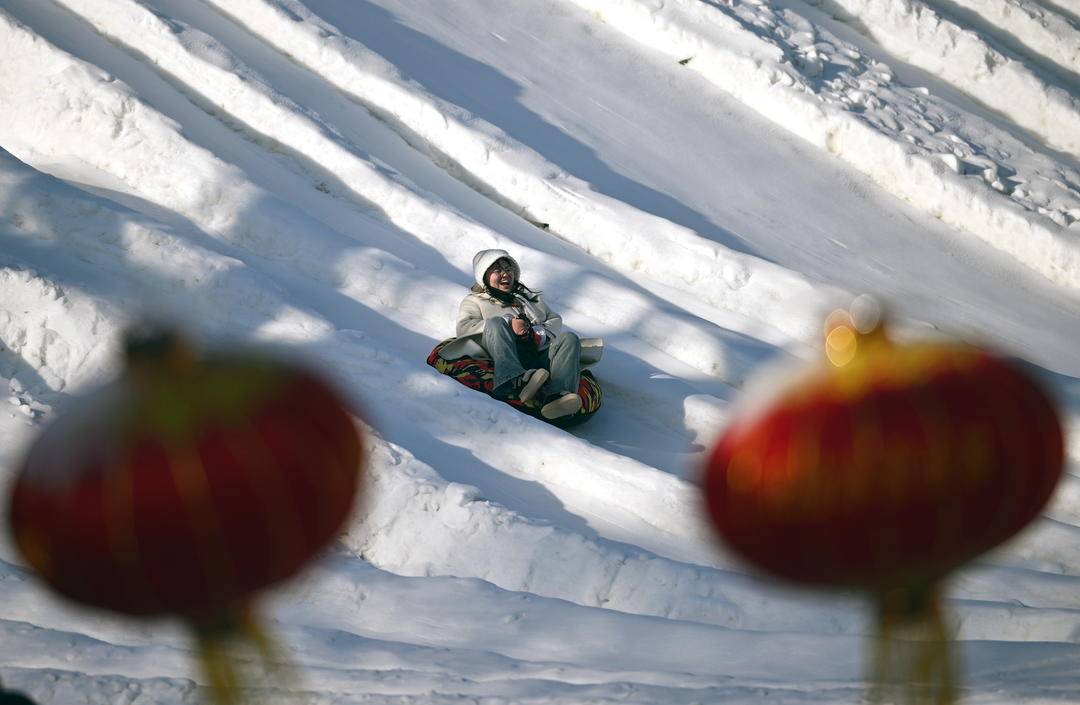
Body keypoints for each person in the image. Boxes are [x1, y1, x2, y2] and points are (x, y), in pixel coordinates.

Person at [439, 249, 583, 420]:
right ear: (484, 275)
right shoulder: (475, 300)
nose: (505, 274)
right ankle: (513, 380)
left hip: (536, 354)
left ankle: (556, 397)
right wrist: (507, 323)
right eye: (497, 270)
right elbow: (464, 327)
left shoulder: (528, 298)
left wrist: (538, 333)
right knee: (495, 323)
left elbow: (554, 319)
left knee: (569, 338)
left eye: (508, 269)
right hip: (502, 354)